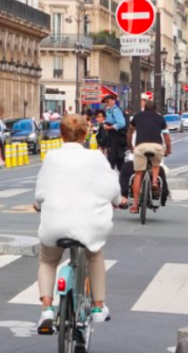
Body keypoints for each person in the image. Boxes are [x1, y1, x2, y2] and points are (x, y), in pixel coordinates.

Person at [34, 115, 122, 334]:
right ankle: (98, 307)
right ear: (85, 134)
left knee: (47, 260)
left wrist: (37, 204)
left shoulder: (52, 157)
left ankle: (46, 309)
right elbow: (111, 187)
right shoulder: (96, 157)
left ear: (62, 134)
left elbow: (41, 190)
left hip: (55, 224)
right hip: (88, 224)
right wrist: (119, 201)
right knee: (95, 255)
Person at [127, 101, 171, 213]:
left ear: (144, 108)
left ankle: (135, 204)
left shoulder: (137, 116)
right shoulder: (160, 118)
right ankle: (155, 181)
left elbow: (130, 132)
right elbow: (166, 136)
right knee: (156, 165)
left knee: (138, 174)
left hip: (141, 146)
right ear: (155, 109)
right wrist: (168, 149)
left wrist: (130, 146)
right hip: (156, 146)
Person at [100, 94, 127, 171]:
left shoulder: (115, 110)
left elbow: (122, 123)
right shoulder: (110, 111)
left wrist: (110, 127)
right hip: (112, 138)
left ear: (113, 101)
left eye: (107, 101)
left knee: (115, 160)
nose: (106, 103)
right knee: (114, 160)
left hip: (116, 139)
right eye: (104, 102)